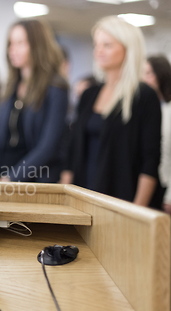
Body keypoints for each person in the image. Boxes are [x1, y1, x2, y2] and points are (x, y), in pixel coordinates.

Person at [62, 16, 162, 208]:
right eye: (96, 44)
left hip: (121, 199)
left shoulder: (144, 97)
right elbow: (73, 149)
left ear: (127, 48)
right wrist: (65, 196)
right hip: (83, 194)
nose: (98, 51)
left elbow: (150, 160)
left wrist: (136, 211)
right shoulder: (89, 94)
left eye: (107, 45)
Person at [0, 20, 69, 183]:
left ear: (37, 46)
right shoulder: (10, 87)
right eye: (11, 43)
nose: (12, 50)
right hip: (1, 175)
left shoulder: (56, 88)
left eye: (20, 43)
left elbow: (48, 147)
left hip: (34, 179)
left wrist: (11, 178)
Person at [143, 55, 171, 212]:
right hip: (149, 180)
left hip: (165, 185)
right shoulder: (146, 110)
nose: (144, 78)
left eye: (149, 73)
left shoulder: (168, 108)